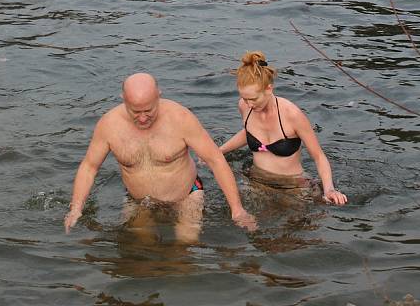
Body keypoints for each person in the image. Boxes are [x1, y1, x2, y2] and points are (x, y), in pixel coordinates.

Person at [64, 73, 256, 240]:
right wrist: (76, 208)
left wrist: (237, 209)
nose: (142, 118)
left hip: (186, 196)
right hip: (139, 200)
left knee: (185, 245)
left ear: (159, 96)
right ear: (123, 100)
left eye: (148, 110)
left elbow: (216, 160)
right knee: (140, 246)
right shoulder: (109, 125)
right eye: (135, 111)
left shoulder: (180, 118)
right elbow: (89, 167)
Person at [219, 52, 347, 204]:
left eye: (253, 99)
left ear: (269, 89)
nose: (249, 104)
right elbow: (249, 132)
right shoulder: (244, 106)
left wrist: (329, 189)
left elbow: (318, 156)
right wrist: (218, 152)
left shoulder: (292, 115)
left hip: (292, 186)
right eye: (244, 98)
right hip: (256, 181)